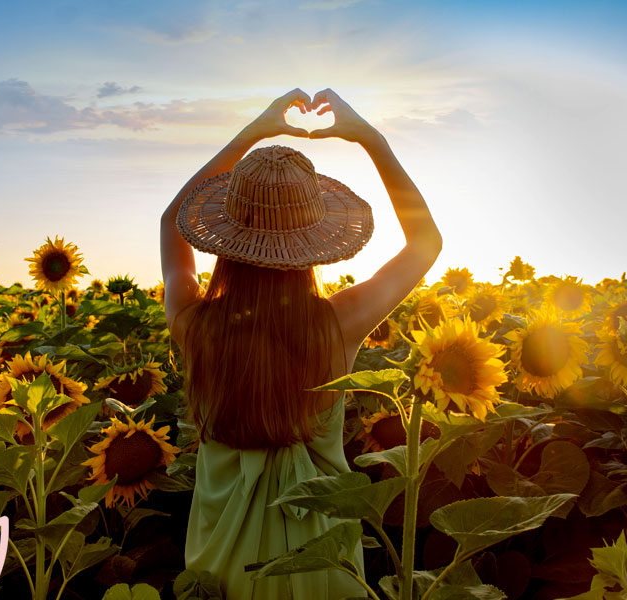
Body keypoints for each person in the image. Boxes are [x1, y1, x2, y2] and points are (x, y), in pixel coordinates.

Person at [160, 88, 442, 599]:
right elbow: (425, 245)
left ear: (224, 241)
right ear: (314, 237)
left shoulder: (194, 323)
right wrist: (368, 138)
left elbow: (170, 221)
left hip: (221, 562)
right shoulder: (339, 323)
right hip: (323, 559)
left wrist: (254, 133)